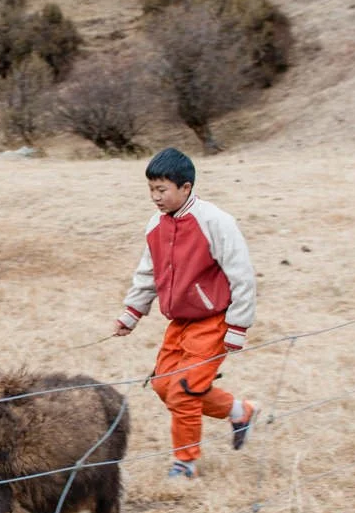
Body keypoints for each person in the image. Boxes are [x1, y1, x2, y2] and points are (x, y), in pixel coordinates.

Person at [110, 147, 258, 479]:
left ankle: (184, 462)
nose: (155, 197)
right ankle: (241, 411)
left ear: (186, 188)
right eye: (151, 189)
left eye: (162, 190)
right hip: (179, 321)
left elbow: (242, 274)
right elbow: (148, 272)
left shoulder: (216, 222)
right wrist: (131, 313)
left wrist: (238, 326)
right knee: (165, 386)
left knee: (185, 389)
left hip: (213, 319)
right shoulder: (156, 225)